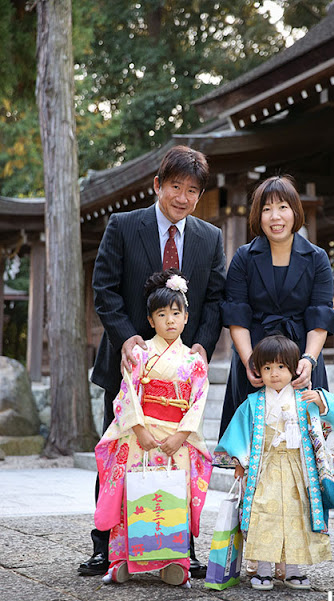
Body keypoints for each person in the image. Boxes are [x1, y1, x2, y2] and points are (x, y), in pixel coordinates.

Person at [78, 145, 226, 578]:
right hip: (127, 366)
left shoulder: (209, 238)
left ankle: (181, 547)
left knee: (179, 458)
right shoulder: (124, 226)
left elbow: (214, 299)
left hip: (180, 376)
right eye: (175, 186)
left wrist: (200, 345)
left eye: (193, 190)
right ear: (158, 185)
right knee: (119, 455)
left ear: (200, 196)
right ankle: (105, 546)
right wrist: (126, 337)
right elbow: (104, 287)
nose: (182, 197)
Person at [95, 270, 212, 585]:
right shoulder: (140, 352)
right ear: (150, 320)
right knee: (131, 496)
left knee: (172, 497)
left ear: (187, 318)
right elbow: (127, 394)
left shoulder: (194, 360)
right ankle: (120, 561)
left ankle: (174, 563)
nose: (170, 320)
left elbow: (198, 400)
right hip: (141, 435)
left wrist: (181, 434)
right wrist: (138, 429)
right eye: (162, 314)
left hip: (177, 438)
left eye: (176, 313)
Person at [214, 335, 334, 591]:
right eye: (267, 368)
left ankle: (293, 570)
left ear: (294, 367)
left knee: (297, 516)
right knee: (264, 515)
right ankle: (263, 570)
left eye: (281, 367)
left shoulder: (307, 398)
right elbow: (238, 433)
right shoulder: (253, 403)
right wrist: (240, 461)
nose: (274, 374)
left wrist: (322, 402)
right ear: (258, 371)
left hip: (298, 468)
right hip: (265, 468)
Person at [219, 175, 334, 439]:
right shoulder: (243, 258)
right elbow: (237, 314)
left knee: (306, 445)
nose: (276, 217)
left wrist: (309, 359)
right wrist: (250, 361)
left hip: (302, 357)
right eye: (267, 209)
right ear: (257, 216)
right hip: (255, 357)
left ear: (295, 211)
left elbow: (321, 314)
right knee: (254, 446)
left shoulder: (317, 258)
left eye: (283, 207)